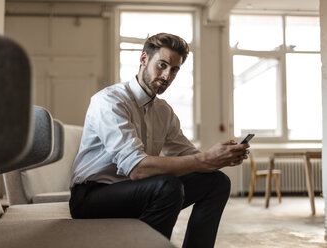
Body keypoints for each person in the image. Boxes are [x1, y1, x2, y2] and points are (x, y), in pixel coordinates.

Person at [70, 32, 249, 248]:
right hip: (92, 196)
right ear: (144, 59)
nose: (167, 76)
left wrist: (218, 158)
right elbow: (137, 169)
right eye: (162, 65)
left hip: (135, 190)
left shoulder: (163, 112)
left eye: (174, 70)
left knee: (217, 182)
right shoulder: (109, 101)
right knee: (166, 187)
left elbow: (188, 156)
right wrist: (205, 159)